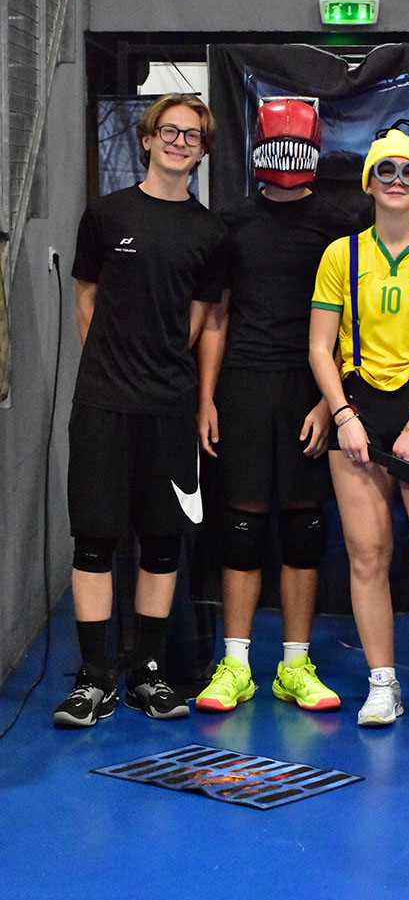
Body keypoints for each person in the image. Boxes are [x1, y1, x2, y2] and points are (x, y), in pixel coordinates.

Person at [54, 93, 227, 727]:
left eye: (192, 135)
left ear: (203, 151)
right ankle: (95, 677)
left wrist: (196, 396)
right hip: (102, 404)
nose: (180, 142)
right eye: (170, 131)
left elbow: (205, 321)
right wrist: (113, 367)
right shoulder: (105, 215)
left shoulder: (210, 233)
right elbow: (86, 299)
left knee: (160, 543)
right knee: (95, 542)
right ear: (148, 139)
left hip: (169, 408)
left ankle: (148, 673)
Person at [195, 98, 358, 714]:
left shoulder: (340, 224)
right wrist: (206, 397)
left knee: (303, 529)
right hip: (241, 384)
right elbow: (217, 315)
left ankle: (294, 664)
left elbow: (348, 323)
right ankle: (235, 664)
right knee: (240, 528)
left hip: (307, 386)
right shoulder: (231, 222)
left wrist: (328, 401)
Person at [309, 128, 409, 736]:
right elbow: (320, 348)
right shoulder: (341, 255)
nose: (398, 182)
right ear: (369, 182)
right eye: (386, 171)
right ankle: (384, 684)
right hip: (358, 409)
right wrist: (343, 416)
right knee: (368, 555)